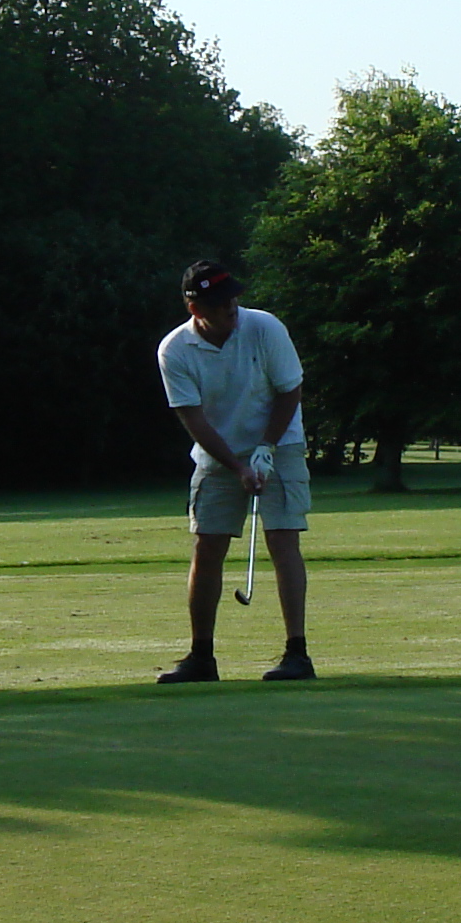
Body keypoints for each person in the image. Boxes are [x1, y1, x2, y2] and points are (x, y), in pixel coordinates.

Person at [153, 257, 312, 682]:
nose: (232, 307)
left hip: (281, 444)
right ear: (195, 309)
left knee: (282, 540)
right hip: (217, 454)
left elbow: (289, 389)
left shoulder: (264, 328)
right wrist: (238, 465)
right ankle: (201, 657)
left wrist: (265, 449)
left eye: (233, 298)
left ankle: (297, 653)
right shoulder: (175, 350)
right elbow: (195, 420)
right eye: (221, 302)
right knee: (207, 548)